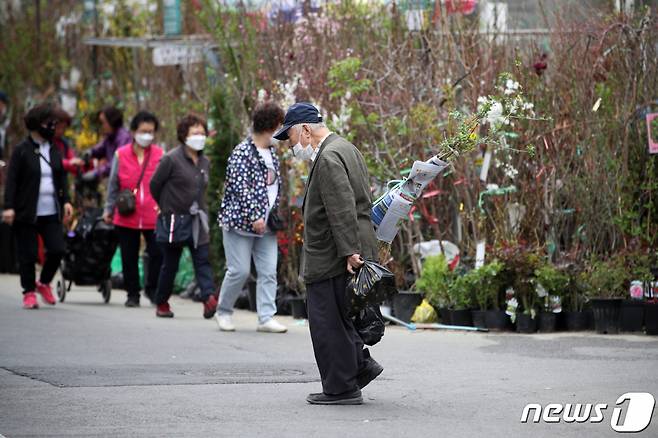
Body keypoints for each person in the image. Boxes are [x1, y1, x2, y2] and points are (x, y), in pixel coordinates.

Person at [273, 102, 383, 405]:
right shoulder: (345, 148)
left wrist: (349, 251)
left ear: (306, 130)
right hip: (347, 247)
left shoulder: (329, 157)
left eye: (292, 139)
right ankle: (359, 368)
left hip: (334, 254)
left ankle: (342, 387)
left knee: (327, 322)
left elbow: (341, 206)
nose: (292, 147)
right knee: (342, 317)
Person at [216, 102, 287, 333]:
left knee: (268, 271)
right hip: (240, 223)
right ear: (270, 126)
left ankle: (266, 317)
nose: (282, 130)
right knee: (239, 270)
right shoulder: (241, 152)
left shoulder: (272, 154)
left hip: (266, 225)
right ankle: (223, 311)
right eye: (279, 125)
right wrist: (254, 215)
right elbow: (239, 187)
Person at [2, 103, 73, 309]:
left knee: (58, 249)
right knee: (29, 254)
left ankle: (43, 283)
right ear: (36, 124)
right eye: (48, 123)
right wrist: (9, 206)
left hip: (50, 209)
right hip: (27, 211)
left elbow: (61, 177)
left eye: (54, 123)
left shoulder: (54, 149)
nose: (52, 127)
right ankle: (29, 292)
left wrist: (66, 200)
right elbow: (12, 181)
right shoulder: (21, 151)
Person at [149, 114, 218, 319]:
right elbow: (154, 184)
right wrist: (164, 205)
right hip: (173, 220)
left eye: (202, 132)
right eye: (195, 132)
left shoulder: (205, 161)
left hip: (197, 219)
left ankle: (208, 299)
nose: (200, 136)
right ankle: (161, 302)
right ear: (183, 135)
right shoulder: (171, 158)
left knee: (202, 260)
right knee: (170, 264)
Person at [103, 111, 163, 307]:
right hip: (127, 215)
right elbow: (113, 185)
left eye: (151, 131)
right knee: (129, 256)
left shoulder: (160, 155)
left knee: (157, 253)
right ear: (133, 131)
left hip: (153, 215)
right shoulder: (121, 154)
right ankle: (132, 294)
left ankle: (152, 289)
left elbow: (166, 184)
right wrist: (108, 209)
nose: (147, 135)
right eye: (143, 131)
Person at [84, 106, 131, 181]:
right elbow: (100, 148)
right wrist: (90, 152)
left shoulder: (123, 138)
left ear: (112, 121)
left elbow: (117, 163)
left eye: (103, 123)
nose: (102, 126)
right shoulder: (110, 137)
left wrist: (96, 173)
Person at [52, 107, 85, 175]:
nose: (61, 131)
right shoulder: (45, 142)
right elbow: (50, 161)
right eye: (58, 127)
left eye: (63, 128)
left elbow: (73, 160)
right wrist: (69, 163)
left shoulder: (63, 143)